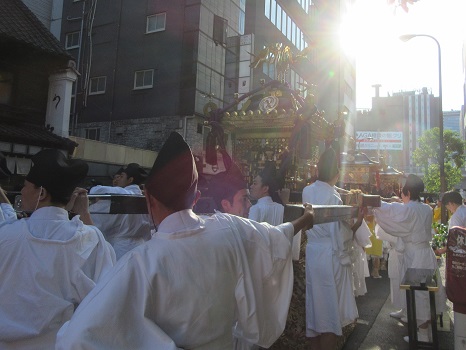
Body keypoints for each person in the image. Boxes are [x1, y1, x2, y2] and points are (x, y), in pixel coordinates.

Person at [56, 132, 315, 350]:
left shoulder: (139, 264)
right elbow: (276, 235)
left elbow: (76, 338)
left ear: (149, 199)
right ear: (196, 198)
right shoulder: (229, 228)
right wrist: (307, 217)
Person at [0, 149, 116, 349]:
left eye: (26, 186)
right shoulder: (87, 238)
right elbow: (106, 296)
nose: (22, 192)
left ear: (42, 193)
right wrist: (84, 212)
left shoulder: (7, 235)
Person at [373, 174, 446, 343]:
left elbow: (391, 212)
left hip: (415, 256)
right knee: (424, 294)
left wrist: (374, 204)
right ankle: (424, 331)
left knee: (419, 295)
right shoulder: (426, 208)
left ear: (406, 191)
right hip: (425, 253)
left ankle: (423, 335)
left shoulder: (409, 209)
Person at [302, 147, 363, 350]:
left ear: (318, 170)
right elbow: (341, 235)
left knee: (314, 310)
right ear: (337, 174)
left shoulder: (307, 191)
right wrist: (357, 223)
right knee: (329, 312)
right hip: (330, 255)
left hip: (313, 253)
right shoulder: (334, 198)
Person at [89, 163, 151, 259]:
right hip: (142, 248)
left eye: (122, 176)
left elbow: (96, 191)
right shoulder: (146, 199)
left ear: (130, 180)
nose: (118, 179)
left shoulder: (122, 194)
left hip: (119, 248)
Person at [249, 161, 284, 226]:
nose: (251, 186)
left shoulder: (255, 209)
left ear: (265, 188)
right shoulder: (280, 208)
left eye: (255, 183)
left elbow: (250, 234)